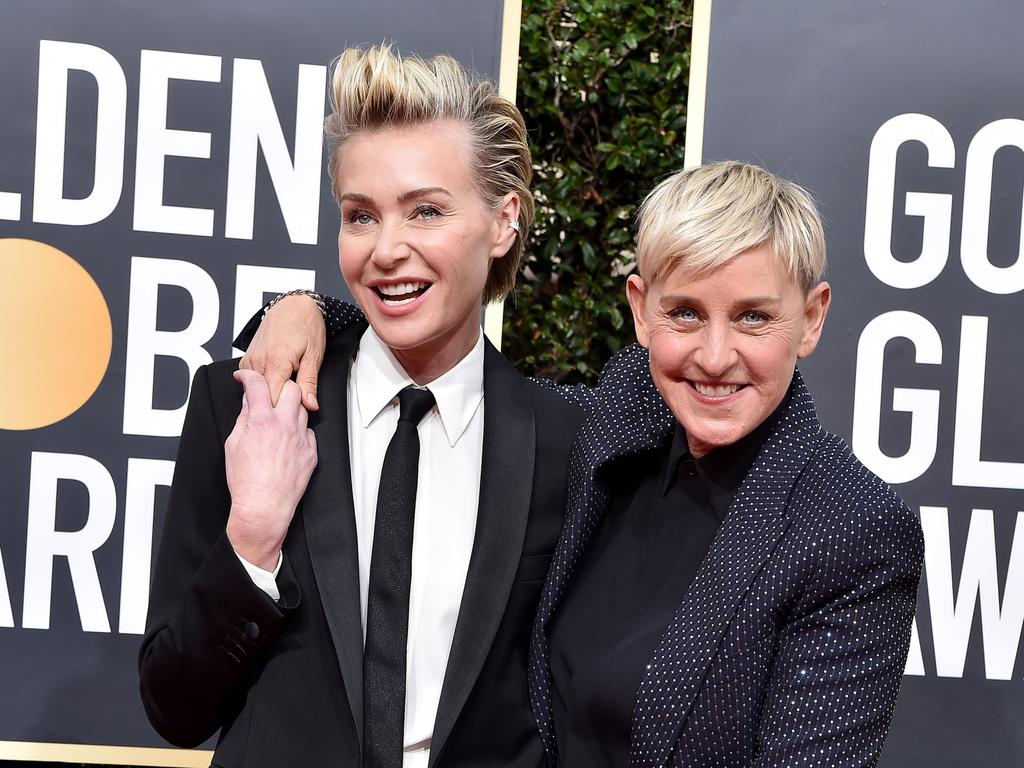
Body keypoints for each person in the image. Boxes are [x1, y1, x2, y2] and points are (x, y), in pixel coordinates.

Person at [238, 160, 924, 767]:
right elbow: (474, 386)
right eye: (685, 314)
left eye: (753, 318)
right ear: (640, 311)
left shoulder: (850, 529)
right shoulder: (624, 417)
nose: (715, 357)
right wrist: (308, 311)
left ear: (811, 319)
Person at [139, 45, 583, 768]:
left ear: (503, 221)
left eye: (427, 211)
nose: (387, 250)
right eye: (360, 216)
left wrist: (310, 307)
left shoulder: (569, 442)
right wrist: (252, 540)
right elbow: (174, 707)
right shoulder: (248, 403)